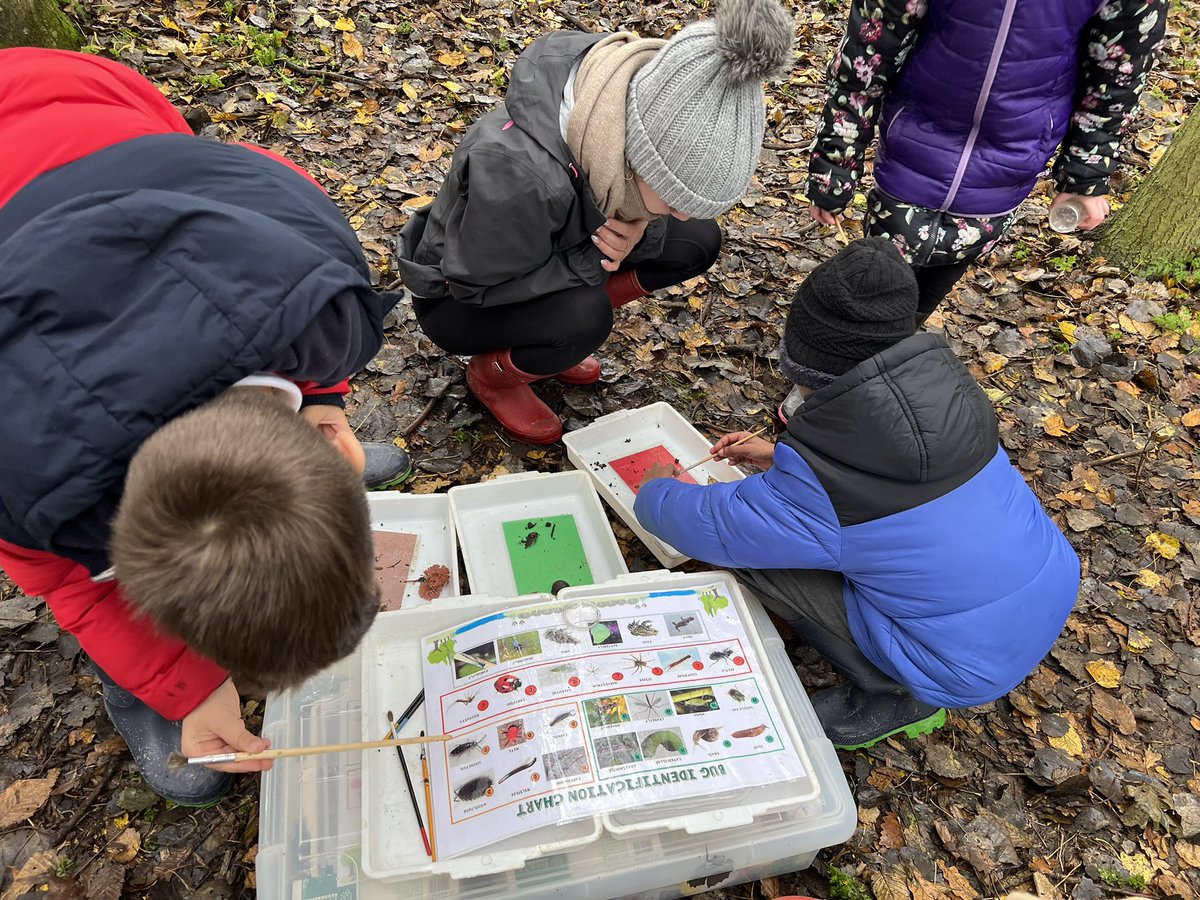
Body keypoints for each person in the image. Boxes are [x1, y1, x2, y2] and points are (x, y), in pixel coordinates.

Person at [0, 48, 406, 804]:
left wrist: (324, 397)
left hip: (77, 95)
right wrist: (185, 689)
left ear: (331, 447)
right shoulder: (24, 488)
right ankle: (137, 693)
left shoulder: (322, 290)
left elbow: (289, 282)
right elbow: (75, 587)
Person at [633, 238, 1080, 749]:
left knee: (753, 554)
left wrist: (654, 489)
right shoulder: (951, 399)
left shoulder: (824, 488)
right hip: (1037, 601)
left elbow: (706, 526)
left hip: (963, 665)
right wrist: (780, 459)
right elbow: (891, 489)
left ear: (805, 366)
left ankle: (896, 693)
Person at [397, 0, 794, 444]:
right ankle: (494, 375)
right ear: (638, 157)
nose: (681, 211)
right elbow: (475, 286)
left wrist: (643, 223)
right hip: (459, 297)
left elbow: (644, 210)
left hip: (543, 254)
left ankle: (550, 338)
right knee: (584, 316)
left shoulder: (617, 100)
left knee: (694, 239)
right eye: (674, 195)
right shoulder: (520, 176)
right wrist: (592, 259)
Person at [805, 0, 1167, 321]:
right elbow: (868, 55)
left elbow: (1117, 76)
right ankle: (823, 371)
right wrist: (835, 164)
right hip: (913, 144)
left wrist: (1085, 177)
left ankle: (878, 367)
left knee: (923, 296)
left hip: (1011, 162)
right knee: (871, 282)